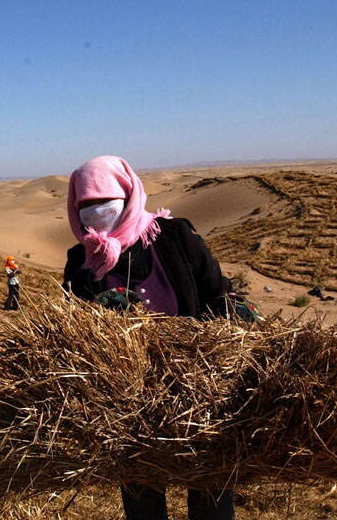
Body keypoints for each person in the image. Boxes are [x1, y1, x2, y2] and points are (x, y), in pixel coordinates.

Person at [63, 156, 234, 520]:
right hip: (130, 408)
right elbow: (75, 331)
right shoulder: (81, 261)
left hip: (199, 393)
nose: (96, 212)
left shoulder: (174, 236)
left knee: (211, 500)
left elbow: (218, 293)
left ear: (128, 194)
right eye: (85, 206)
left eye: (104, 201)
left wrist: (233, 328)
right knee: (143, 505)